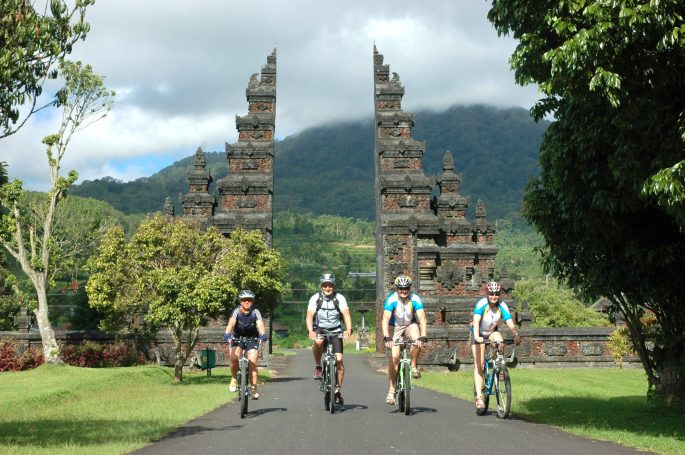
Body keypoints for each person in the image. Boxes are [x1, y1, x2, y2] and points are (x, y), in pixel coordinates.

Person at [471, 280, 521, 413]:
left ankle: (498, 367)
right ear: (488, 294)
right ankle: (480, 398)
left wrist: (515, 333)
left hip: (492, 332)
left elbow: (509, 321)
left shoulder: (502, 305)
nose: (494, 296)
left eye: (497, 294)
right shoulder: (481, 304)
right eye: (492, 294)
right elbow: (476, 321)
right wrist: (477, 337)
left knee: (500, 342)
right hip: (478, 334)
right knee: (480, 365)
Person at [306, 273, 352, 405]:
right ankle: (318, 366)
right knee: (318, 341)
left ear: (333, 287)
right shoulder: (315, 298)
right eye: (325, 286)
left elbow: (346, 313)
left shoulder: (339, 298)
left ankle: (337, 390)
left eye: (330, 286)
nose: (327, 288)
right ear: (321, 287)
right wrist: (310, 331)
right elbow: (309, 315)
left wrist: (348, 329)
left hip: (336, 330)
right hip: (320, 328)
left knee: (339, 360)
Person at [381, 274, 427, 405]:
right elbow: (385, 319)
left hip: (409, 325)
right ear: (397, 289)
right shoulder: (392, 299)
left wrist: (423, 335)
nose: (403, 291)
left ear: (409, 288)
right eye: (401, 288)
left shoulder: (415, 298)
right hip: (393, 327)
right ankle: (391, 389)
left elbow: (422, 318)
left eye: (406, 288)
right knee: (395, 357)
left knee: (417, 340)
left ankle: (413, 366)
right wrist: (386, 337)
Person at [224, 289, 266, 400]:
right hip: (237, 338)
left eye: (249, 300)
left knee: (253, 363)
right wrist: (227, 334)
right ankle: (234, 379)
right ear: (240, 301)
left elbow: (260, 324)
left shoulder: (255, 312)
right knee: (233, 358)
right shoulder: (236, 311)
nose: (247, 302)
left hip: (252, 338)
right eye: (244, 300)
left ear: (252, 301)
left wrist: (262, 335)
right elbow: (231, 323)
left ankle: (254, 389)